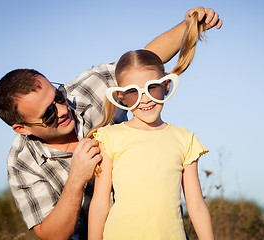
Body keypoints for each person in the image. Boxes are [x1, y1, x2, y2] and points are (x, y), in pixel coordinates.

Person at [0, 6, 222, 240]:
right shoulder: (21, 164)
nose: (63, 109)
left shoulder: (87, 89)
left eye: (58, 96)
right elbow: (51, 235)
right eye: (48, 113)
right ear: (23, 129)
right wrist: (76, 179)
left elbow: (140, 66)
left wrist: (190, 26)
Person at [87, 11, 214, 240]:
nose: (144, 99)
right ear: (121, 98)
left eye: (152, 88)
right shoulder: (109, 137)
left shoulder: (185, 139)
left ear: (166, 86)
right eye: (133, 92)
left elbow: (196, 206)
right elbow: (99, 204)